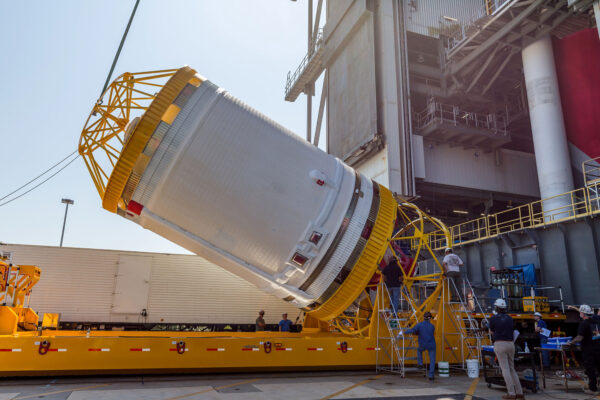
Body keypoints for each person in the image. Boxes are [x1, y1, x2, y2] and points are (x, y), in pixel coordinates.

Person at [489, 298, 524, 400]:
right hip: (511, 344)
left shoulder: (493, 318)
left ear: (496, 307)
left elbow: (491, 331)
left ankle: (511, 393)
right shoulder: (510, 318)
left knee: (505, 369)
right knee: (512, 368)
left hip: (500, 344)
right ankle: (520, 392)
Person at [568, 305, 600, 395]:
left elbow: (579, 337)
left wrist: (570, 343)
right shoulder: (597, 321)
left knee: (590, 370)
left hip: (589, 350)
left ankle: (593, 389)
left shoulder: (584, 323)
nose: (580, 313)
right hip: (598, 349)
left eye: (580, 312)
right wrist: (574, 308)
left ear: (583, 313)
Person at [401, 311, 436, 380]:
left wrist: (404, 332)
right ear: (430, 318)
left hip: (423, 344)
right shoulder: (432, 326)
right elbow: (428, 333)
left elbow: (412, 330)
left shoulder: (419, 325)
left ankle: (420, 363)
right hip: (432, 345)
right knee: (432, 360)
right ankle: (431, 376)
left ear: (423, 317)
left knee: (419, 350)